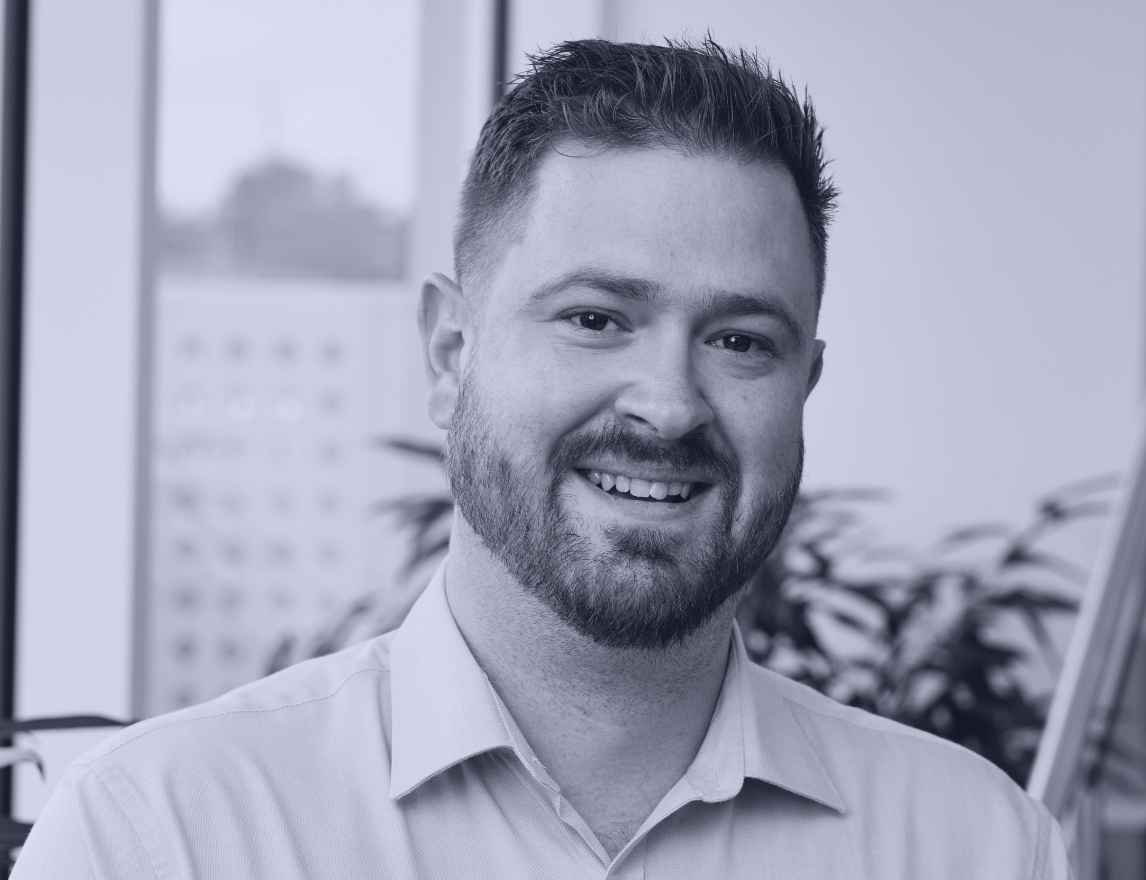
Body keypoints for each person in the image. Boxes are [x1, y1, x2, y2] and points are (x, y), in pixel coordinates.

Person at [15, 38, 1070, 879]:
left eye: (740, 340)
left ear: (806, 385)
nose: (668, 405)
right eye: (595, 318)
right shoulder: (160, 836)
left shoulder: (975, 847)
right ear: (449, 351)